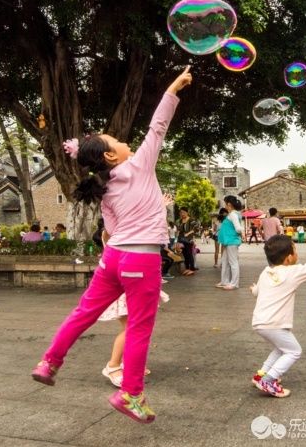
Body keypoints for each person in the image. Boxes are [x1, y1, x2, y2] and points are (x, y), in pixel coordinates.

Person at [30, 65, 192, 424]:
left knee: (82, 313)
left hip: (113, 258)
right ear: (110, 156)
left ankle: (49, 362)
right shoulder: (139, 166)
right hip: (140, 260)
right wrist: (173, 89)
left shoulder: (105, 190)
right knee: (138, 327)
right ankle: (131, 393)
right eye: (114, 140)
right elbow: (158, 127)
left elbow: (111, 231)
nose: (121, 139)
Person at [250, 233, 306, 397]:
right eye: (295, 250)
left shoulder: (266, 272)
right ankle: (268, 380)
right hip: (275, 324)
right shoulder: (292, 272)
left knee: (280, 348)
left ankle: (261, 375)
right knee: (294, 351)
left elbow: (258, 292)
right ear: (289, 258)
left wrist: (254, 289)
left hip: (260, 322)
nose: (297, 253)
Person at [97, 290, 170, 388]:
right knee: (131, 329)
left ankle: (130, 364)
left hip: (138, 288)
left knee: (137, 328)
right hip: (127, 288)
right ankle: (113, 366)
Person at [216, 195, 244, 290]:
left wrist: (242, 231)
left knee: (233, 263)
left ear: (229, 204)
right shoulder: (233, 214)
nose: (224, 205)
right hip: (228, 242)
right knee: (225, 262)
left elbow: (238, 228)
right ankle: (225, 281)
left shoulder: (233, 214)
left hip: (232, 241)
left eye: (225, 203)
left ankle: (234, 283)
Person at [176, 208, 199, 276]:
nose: (182, 214)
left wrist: (188, 233)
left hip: (189, 240)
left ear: (187, 212)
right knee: (185, 254)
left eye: (183, 212)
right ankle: (187, 268)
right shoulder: (180, 221)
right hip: (181, 240)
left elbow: (196, 229)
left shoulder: (191, 220)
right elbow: (179, 231)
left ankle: (191, 269)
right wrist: (177, 240)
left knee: (189, 254)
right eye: (181, 213)